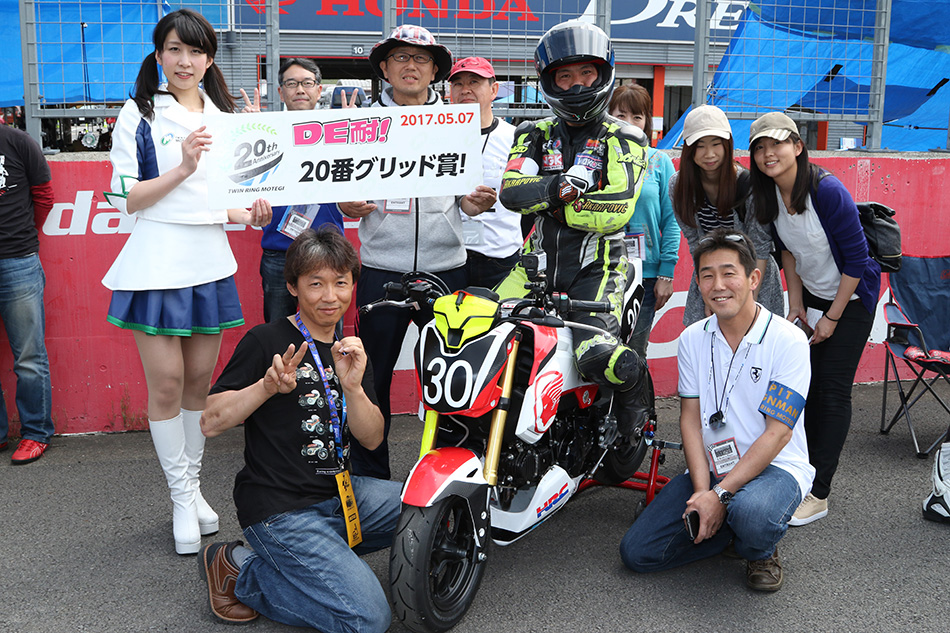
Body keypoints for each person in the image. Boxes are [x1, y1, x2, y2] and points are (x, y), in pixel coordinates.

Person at [102, 9, 272, 555]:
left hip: (209, 262)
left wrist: (251, 212)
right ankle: (180, 497)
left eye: (195, 51)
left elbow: (224, 203)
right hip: (155, 262)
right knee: (167, 384)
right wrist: (181, 167)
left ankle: (193, 488)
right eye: (174, 49)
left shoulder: (225, 115)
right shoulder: (140, 112)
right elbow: (126, 198)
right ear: (159, 55)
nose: (184, 61)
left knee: (200, 382)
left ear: (209, 59)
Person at [198, 227, 401, 631]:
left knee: (430, 506)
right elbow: (210, 421)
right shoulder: (266, 340)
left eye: (340, 283)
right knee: (369, 620)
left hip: (343, 496)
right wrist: (266, 387)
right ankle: (241, 570)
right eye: (316, 284)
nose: (330, 296)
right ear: (292, 286)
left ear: (353, 286)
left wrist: (353, 388)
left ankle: (315, 564)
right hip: (282, 510)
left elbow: (372, 438)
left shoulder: (350, 351)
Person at [337, 24, 496, 479]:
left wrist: (476, 203)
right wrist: (346, 204)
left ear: (435, 71)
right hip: (380, 270)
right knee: (373, 377)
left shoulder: (456, 122)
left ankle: (452, 473)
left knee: (455, 378)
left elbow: (464, 198)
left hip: (447, 269)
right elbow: (343, 189)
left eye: (421, 58)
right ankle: (371, 478)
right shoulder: (360, 122)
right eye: (401, 57)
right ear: (384, 68)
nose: (411, 66)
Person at [620, 229, 814, 592]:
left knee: (753, 513)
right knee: (638, 553)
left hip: (776, 467)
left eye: (729, 273)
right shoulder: (693, 338)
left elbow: (778, 433)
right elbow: (690, 420)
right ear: (698, 284)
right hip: (714, 467)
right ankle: (727, 527)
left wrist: (720, 495)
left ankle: (758, 548)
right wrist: (702, 492)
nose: (718, 285)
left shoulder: (788, 340)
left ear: (753, 279)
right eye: (707, 275)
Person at [496, 20, 652, 437]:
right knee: (482, 332)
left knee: (596, 356)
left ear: (603, 75)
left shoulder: (627, 137)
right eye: (564, 76)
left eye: (586, 73)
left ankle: (635, 394)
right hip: (532, 267)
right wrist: (565, 189)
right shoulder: (531, 133)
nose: (577, 84)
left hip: (599, 270)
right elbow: (511, 193)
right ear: (549, 82)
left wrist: (548, 199)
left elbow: (614, 210)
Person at [748, 112, 881, 526]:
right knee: (803, 389)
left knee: (832, 392)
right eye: (760, 148)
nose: (769, 154)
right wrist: (797, 305)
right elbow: (787, 253)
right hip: (814, 297)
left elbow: (857, 260)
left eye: (777, 144)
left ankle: (819, 492)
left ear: (797, 146)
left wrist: (832, 318)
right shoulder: (768, 194)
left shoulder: (827, 191)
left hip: (852, 299)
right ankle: (798, 474)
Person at [670, 105, 783, 326]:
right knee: (704, 339)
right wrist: (708, 292)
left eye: (716, 144)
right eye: (699, 145)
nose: (709, 154)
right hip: (712, 275)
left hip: (753, 279)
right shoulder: (678, 186)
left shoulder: (748, 185)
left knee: (755, 339)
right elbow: (695, 242)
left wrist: (747, 301)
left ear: (728, 144)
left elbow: (759, 247)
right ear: (688, 149)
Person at [259, 58, 347, 323]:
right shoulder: (264, 132)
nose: (300, 89)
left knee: (329, 328)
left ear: (319, 90)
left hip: (328, 250)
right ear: (280, 91)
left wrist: (354, 131)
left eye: (307, 83)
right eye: (291, 83)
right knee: (277, 330)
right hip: (279, 250)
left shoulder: (340, 131)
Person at [607, 84, 679, 359]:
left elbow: (672, 221)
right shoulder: (598, 158)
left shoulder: (659, 162)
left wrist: (666, 273)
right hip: (601, 272)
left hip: (645, 277)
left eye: (637, 117)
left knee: (634, 354)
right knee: (600, 353)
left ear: (647, 121)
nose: (629, 123)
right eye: (621, 115)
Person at [0, 120, 54, 464]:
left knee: (29, 357)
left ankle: (36, 433)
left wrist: (22, 238)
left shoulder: (18, 141)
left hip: (17, 261)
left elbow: (44, 196)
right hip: (17, 258)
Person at [448, 57, 522, 289]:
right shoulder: (435, 137)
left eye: (474, 81)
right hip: (448, 259)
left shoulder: (515, 137)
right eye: (458, 83)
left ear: (494, 90)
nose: (465, 89)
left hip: (500, 257)